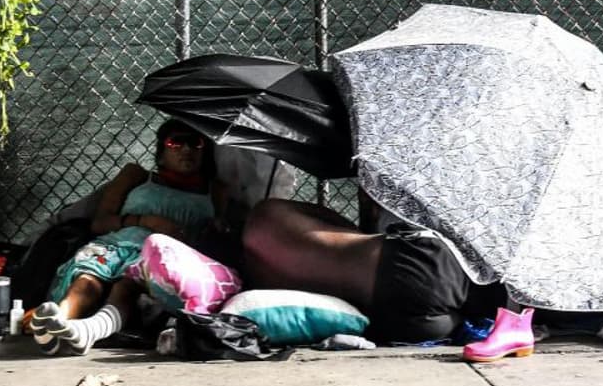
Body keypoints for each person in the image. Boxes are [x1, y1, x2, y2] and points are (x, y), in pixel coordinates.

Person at [30, 119, 225, 355]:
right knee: (88, 279)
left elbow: (217, 238)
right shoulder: (137, 176)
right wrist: (146, 221)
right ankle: (56, 322)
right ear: (161, 151)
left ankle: (86, 332)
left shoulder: (216, 190)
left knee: (127, 285)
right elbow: (100, 222)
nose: (186, 149)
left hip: (163, 259)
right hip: (117, 245)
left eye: (195, 143)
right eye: (176, 142)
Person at [241, 191, 505, 344]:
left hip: (405, 317)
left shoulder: (258, 284)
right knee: (490, 286)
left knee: (470, 316)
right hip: (415, 260)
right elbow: (335, 222)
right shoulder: (266, 214)